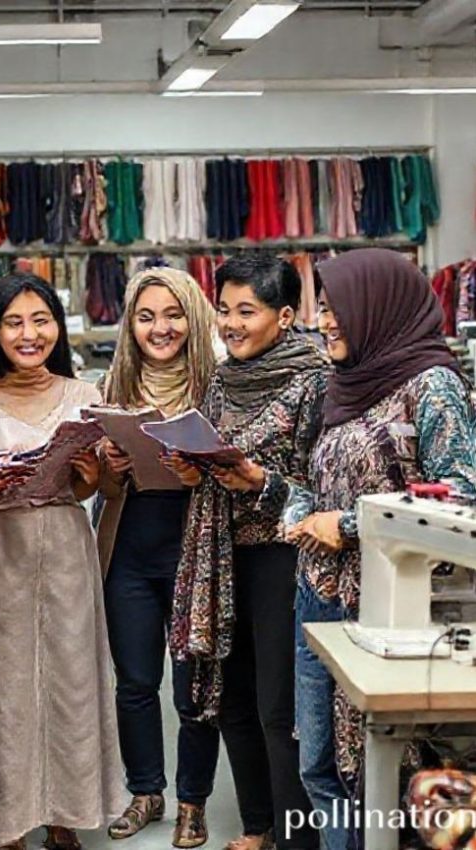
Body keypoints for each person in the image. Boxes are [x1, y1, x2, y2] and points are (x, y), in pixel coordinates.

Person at [232, 249, 476, 850]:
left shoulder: (432, 387)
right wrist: (262, 485)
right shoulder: (345, 386)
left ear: (379, 305)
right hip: (320, 605)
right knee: (323, 769)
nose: (325, 320)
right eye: (322, 306)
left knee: (416, 778)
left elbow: (463, 503)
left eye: (336, 306)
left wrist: (343, 526)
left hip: (403, 616)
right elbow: (319, 495)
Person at [0, 273, 124, 850]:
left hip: (65, 543)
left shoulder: (85, 396)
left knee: (73, 681)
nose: (29, 334)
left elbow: (89, 488)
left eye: (41, 320)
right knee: (4, 686)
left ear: (58, 324)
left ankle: (66, 814)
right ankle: (7, 821)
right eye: (14, 322)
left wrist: (90, 477)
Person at [166, 254, 323, 850]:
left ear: (284, 316)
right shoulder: (222, 378)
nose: (231, 324)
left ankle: (295, 836)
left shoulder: (314, 379)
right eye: (224, 310)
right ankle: (258, 824)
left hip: (285, 557)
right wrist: (189, 466)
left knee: (279, 708)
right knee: (230, 697)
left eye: (246, 311)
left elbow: (323, 478)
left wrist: (261, 481)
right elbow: (209, 448)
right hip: (221, 555)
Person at [97, 267, 220, 848]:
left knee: (193, 685)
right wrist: (110, 470)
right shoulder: (112, 387)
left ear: (193, 317)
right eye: (146, 317)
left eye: (172, 315)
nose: (160, 328)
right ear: (130, 324)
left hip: (194, 546)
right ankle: (145, 791)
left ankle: (193, 802)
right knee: (135, 682)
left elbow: (238, 472)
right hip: (131, 548)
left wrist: (202, 470)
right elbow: (97, 484)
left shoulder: (216, 387)